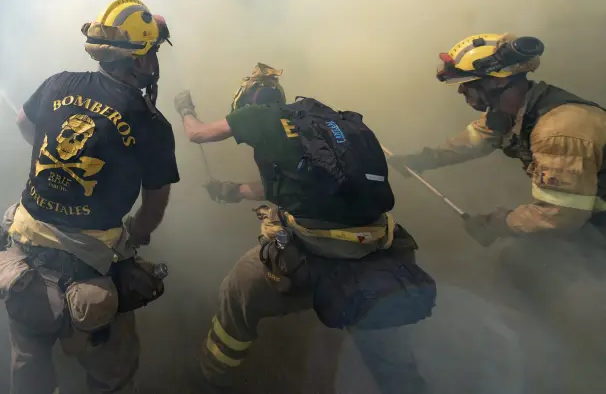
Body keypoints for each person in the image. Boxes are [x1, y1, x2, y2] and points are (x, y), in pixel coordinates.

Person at [174, 64, 431, 393]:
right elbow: (295, 184)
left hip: (318, 249)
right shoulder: (322, 123)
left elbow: (197, 134)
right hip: (378, 245)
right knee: (385, 345)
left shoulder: (256, 116)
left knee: (238, 289)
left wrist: (185, 108)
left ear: (246, 104)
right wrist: (234, 190)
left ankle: (211, 375)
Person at [0, 0, 179, 394]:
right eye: (153, 52)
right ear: (139, 61)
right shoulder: (151, 123)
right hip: (90, 269)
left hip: (23, 252)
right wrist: (135, 236)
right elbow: (154, 204)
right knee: (113, 369)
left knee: (29, 362)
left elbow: (23, 123)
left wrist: (48, 164)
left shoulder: (59, 82)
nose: (155, 61)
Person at [387, 33, 606, 391]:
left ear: (497, 81)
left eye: (468, 85)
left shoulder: (559, 130)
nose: (463, 94)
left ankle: (581, 355)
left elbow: (559, 215)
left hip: (589, 223)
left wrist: (498, 222)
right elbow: (477, 139)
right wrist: (423, 160)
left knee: (530, 263)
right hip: (588, 217)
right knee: (523, 261)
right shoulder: (516, 111)